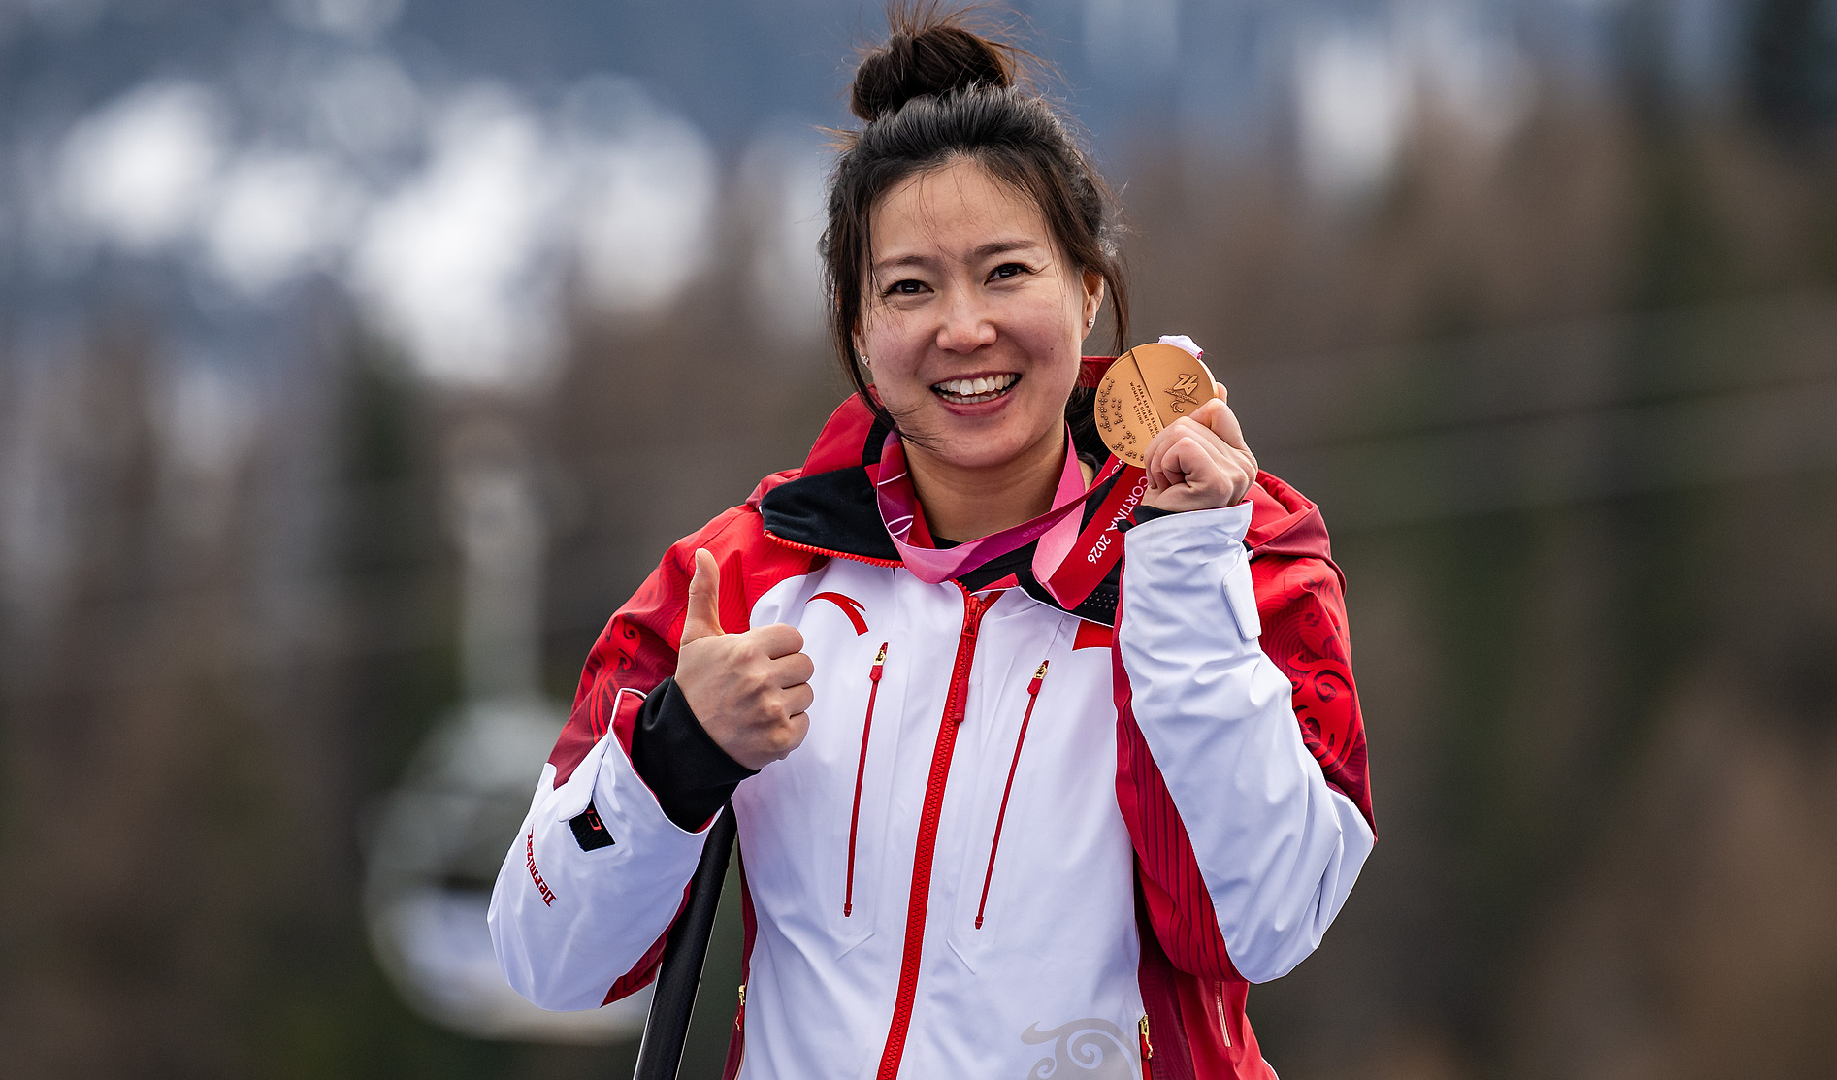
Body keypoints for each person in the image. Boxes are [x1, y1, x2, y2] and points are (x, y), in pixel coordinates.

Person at [490, 7, 1374, 1077]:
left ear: (1087, 290)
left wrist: (1184, 579)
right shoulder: (748, 576)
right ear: (858, 329)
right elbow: (542, 959)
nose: (963, 329)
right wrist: (675, 755)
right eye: (910, 287)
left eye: (1007, 271)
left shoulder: (1240, 553)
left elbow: (1266, 924)